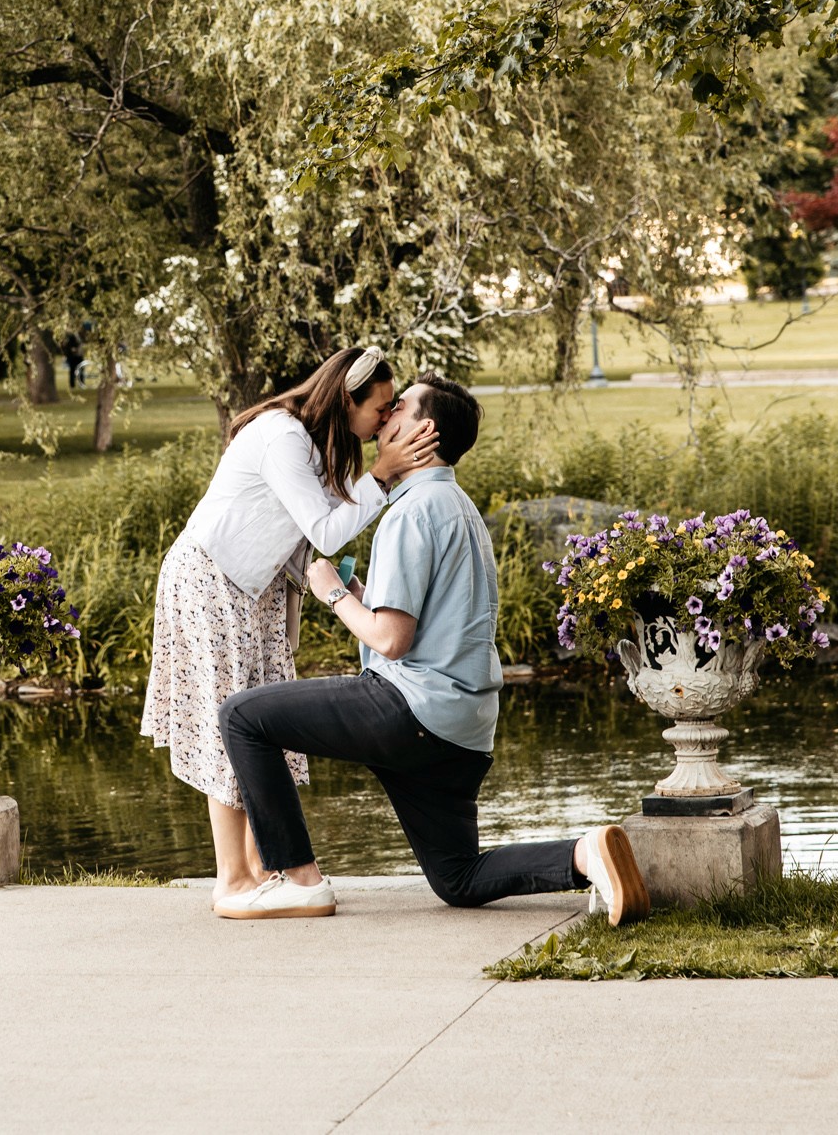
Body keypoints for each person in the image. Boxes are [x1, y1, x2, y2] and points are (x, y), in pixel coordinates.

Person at [215, 374, 650, 926]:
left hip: (411, 712)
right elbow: (424, 617)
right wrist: (359, 596)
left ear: (423, 430)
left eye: (398, 407)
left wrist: (329, 591)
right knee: (459, 878)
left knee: (243, 715)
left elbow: (392, 641)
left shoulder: (413, 511)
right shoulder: (458, 506)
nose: (385, 414)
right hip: (464, 731)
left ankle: (298, 879)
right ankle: (586, 853)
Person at [141, 346, 439, 906]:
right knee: (228, 722)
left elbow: (315, 534)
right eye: (378, 410)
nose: (382, 421)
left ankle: (267, 870)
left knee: (261, 726)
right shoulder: (282, 435)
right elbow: (326, 532)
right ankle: (233, 880)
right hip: (211, 581)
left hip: (257, 591)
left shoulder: (311, 442)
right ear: (344, 400)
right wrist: (384, 471)